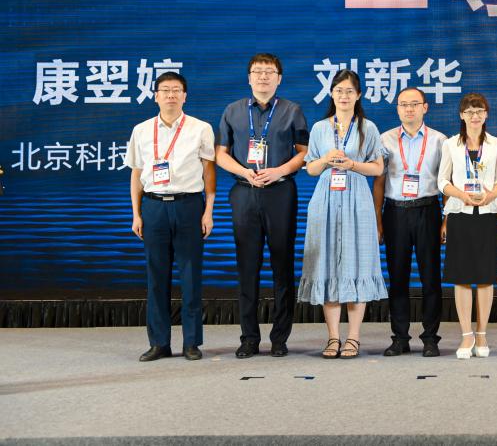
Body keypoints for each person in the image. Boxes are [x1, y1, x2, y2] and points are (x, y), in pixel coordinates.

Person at [216, 53, 308, 359]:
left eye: (269, 72)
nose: (263, 76)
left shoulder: (292, 110)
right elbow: (220, 153)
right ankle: (249, 338)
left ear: (279, 78)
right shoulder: (233, 110)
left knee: (283, 265)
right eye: (258, 71)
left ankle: (280, 338)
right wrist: (244, 172)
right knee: (247, 266)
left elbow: (304, 152)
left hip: (280, 192)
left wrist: (279, 170)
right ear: (249, 78)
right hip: (244, 193)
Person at [298, 69, 387, 359]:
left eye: (349, 91)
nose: (344, 96)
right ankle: (333, 337)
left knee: (356, 265)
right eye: (339, 91)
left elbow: (378, 168)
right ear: (332, 94)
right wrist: (325, 159)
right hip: (325, 200)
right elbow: (311, 169)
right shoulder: (320, 128)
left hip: (357, 199)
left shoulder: (368, 128)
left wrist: (352, 165)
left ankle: (354, 338)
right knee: (327, 265)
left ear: (358, 95)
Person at [127, 72, 215, 362]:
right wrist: (136, 214)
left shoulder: (200, 128)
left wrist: (208, 211)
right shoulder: (141, 130)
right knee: (156, 277)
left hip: (189, 205)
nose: (171, 95)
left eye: (176, 90)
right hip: (153, 207)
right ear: (155, 96)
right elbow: (136, 174)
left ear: (185, 96)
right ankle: (159, 343)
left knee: (191, 276)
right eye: (165, 90)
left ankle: (192, 342)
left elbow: (208, 172)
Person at [372, 87, 446, 357]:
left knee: (431, 278)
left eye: (414, 104)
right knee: (398, 277)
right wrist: (378, 220)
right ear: (397, 109)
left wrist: (446, 219)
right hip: (395, 213)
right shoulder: (385, 139)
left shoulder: (439, 140)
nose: (409, 109)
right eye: (404, 104)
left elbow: (446, 183)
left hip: (428, 210)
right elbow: (379, 182)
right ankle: (400, 338)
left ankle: (430, 338)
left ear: (425, 107)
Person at [439, 93, 497, 359]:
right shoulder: (450, 144)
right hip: (460, 213)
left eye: (479, 111)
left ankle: (482, 333)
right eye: (469, 111)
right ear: (461, 115)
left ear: (486, 114)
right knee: (462, 277)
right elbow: (442, 181)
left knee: (486, 277)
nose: (474, 116)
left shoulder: (496, 143)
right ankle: (466, 335)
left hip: (488, 214)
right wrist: (462, 195)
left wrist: (491, 195)